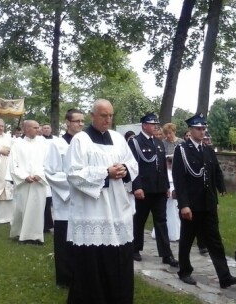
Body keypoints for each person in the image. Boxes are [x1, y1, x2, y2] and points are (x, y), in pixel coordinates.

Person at [64, 99, 138, 303]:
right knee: (93, 263)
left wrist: (124, 169)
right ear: (93, 116)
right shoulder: (80, 140)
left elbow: (132, 163)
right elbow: (73, 173)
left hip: (117, 208)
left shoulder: (118, 138)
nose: (108, 120)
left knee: (119, 257)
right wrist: (106, 172)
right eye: (104, 115)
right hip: (92, 210)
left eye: (111, 115)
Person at [172, 112, 236, 289]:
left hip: (208, 203)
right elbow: (179, 179)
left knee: (215, 241)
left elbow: (215, 172)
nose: (202, 131)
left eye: (204, 128)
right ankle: (184, 271)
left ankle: (224, 276)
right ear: (190, 130)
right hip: (192, 204)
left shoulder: (208, 150)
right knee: (187, 240)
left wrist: (221, 188)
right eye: (198, 128)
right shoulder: (182, 150)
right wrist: (184, 205)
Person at [128, 112, 178, 267]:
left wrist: (167, 187)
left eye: (156, 124)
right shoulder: (135, 142)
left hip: (159, 190)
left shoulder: (158, 142)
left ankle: (166, 254)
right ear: (144, 125)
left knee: (161, 221)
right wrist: (136, 187)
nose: (156, 126)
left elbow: (163, 166)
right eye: (152, 124)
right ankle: (135, 249)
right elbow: (132, 166)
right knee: (139, 220)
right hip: (144, 189)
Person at [45, 108, 84, 287]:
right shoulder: (57, 145)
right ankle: (65, 278)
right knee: (64, 240)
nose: (80, 124)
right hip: (66, 199)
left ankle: (81, 274)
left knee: (82, 240)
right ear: (67, 123)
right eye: (77, 121)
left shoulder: (86, 143)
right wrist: (74, 185)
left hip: (84, 199)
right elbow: (51, 172)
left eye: (82, 121)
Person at [9, 120, 48, 245]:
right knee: (22, 208)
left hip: (38, 182)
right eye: (35, 127)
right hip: (24, 183)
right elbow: (13, 164)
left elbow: (48, 163)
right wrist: (24, 176)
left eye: (38, 127)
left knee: (37, 209)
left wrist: (39, 175)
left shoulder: (43, 143)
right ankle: (21, 234)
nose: (38, 130)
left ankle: (36, 236)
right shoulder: (17, 144)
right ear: (26, 129)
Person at [152, 154, 180, 241]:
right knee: (165, 213)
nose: (170, 164)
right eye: (169, 162)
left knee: (175, 213)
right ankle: (162, 233)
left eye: (172, 162)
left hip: (175, 193)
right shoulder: (164, 172)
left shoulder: (176, 171)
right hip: (166, 192)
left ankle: (175, 233)